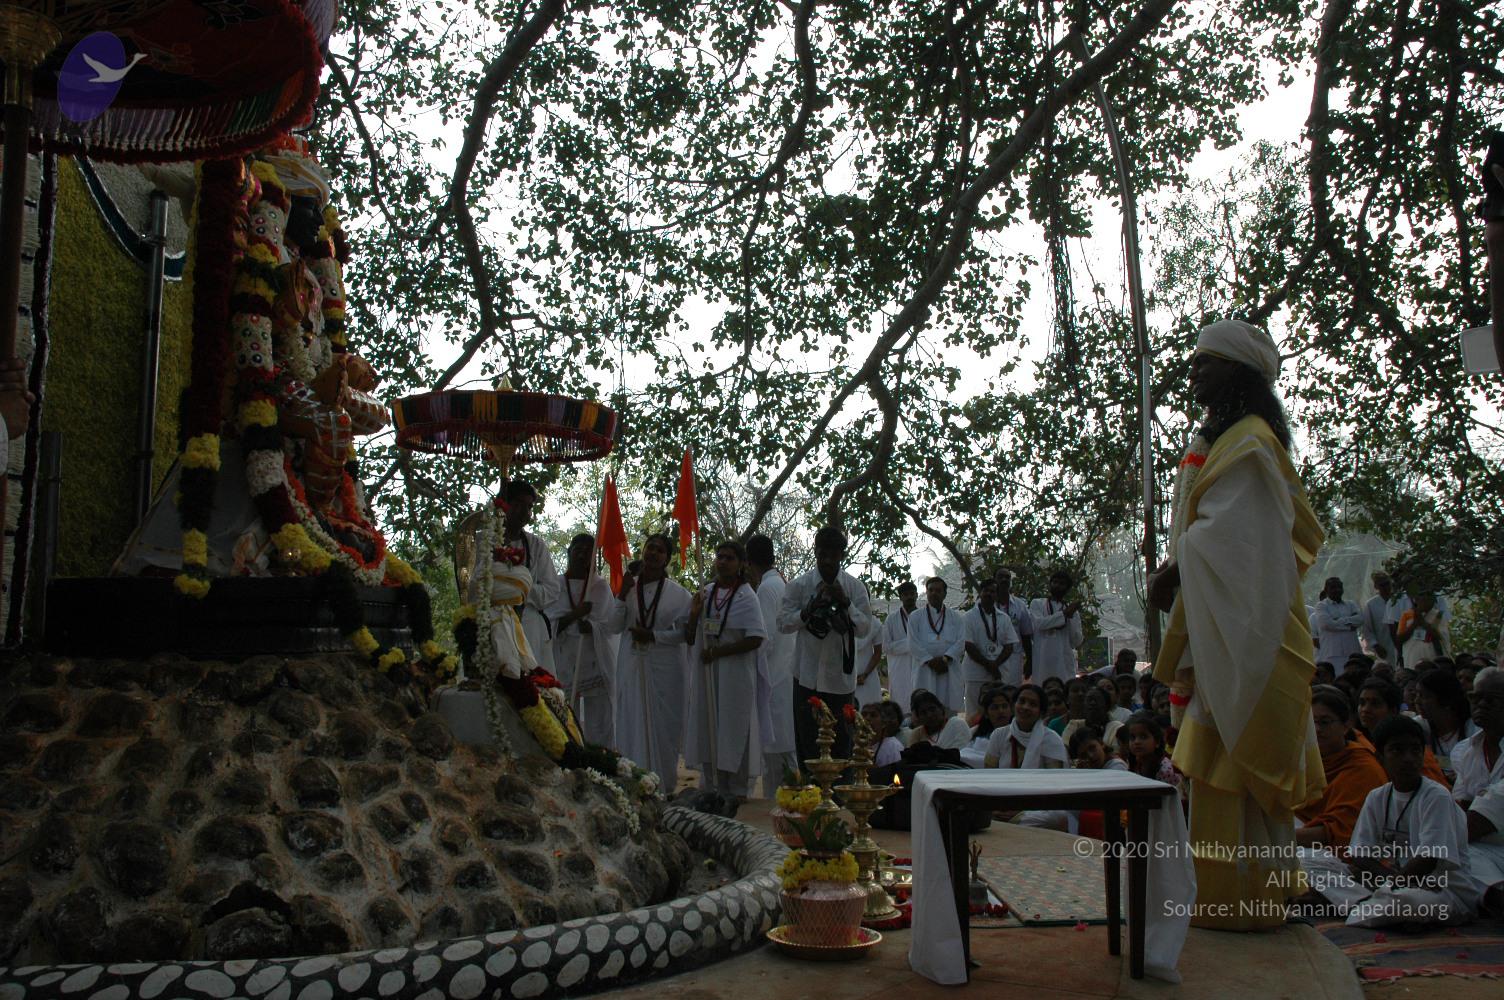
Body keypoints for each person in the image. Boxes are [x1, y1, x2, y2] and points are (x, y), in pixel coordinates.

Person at [1146, 319, 1325, 930]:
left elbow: (1239, 543)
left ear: (1239, 375)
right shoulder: (1221, 437)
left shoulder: (1248, 442)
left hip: (1246, 633)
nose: (1194, 372)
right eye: (1194, 362)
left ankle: (1255, 901)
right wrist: (1181, 563)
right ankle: (1228, 898)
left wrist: (1175, 571)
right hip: (1218, 628)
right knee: (1219, 765)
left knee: (1241, 762)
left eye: (1207, 363)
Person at [1302, 715, 1482, 927]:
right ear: (1380, 757)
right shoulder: (1377, 796)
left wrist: (1387, 884)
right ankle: (1363, 904)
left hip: (1442, 891)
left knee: (1401, 902)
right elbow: (1360, 854)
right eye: (1397, 750)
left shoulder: (1436, 796)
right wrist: (1385, 880)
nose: (1408, 758)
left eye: (1415, 750)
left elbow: (1428, 860)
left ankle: (1353, 904)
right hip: (1393, 883)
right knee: (1306, 859)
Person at [779, 526, 875, 764]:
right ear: (815, 552)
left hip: (840, 681)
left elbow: (865, 629)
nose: (827, 561)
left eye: (833, 555)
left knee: (842, 745)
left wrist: (845, 603)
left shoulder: (854, 587)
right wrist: (809, 609)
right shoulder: (800, 586)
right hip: (806, 678)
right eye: (823, 554)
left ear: (843, 554)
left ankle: (840, 799)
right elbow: (782, 623)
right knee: (808, 746)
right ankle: (810, 798)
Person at [682, 540, 770, 799]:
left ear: (742, 563)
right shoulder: (705, 592)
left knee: (734, 728)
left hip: (735, 676)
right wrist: (694, 615)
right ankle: (711, 787)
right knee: (707, 726)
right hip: (708, 674)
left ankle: (736, 790)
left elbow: (755, 638)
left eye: (730, 558)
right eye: (719, 556)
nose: (723, 562)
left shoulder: (747, 596)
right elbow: (689, 637)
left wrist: (719, 652)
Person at [609, 533, 692, 786]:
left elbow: (685, 634)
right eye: (649, 548)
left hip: (665, 668)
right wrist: (621, 596)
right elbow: (613, 626)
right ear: (642, 552)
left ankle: (663, 783)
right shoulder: (629, 587)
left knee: (665, 725)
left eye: (659, 550)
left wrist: (654, 636)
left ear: (667, 558)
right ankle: (632, 781)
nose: (653, 553)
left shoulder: (679, 594)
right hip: (632, 664)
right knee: (630, 720)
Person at [476, 479, 562, 673]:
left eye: (529, 507)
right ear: (504, 506)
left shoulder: (536, 545)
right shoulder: (482, 539)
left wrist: (519, 589)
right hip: (490, 624)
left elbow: (552, 590)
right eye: (518, 505)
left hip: (530, 627)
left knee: (533, 691)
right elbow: (474, 585)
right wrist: (506, 588)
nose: (525, 512)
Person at [1295, 687, 1389, 851]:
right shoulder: (1301, 759)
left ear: (1346, 726)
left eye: (1324, 722)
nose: (1316, 729)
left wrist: (1276, 839)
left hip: (1335, 856)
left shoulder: (1363, 769)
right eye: (1311, 723)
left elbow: (1338, 832)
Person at [547, 533, 619, 745]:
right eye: (578, 549)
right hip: (564, 662)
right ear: (569, 552)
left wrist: (592, 626)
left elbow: (611, 627)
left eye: (588, 551)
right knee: (567, 715)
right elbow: (547, 624)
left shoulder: (600, 587)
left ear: (593, 557)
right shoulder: (556, 585)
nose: (582, 555)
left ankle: (602, 758)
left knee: (600, 719)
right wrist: (574, 615)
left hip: (594, 662)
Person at [747, 534, 796, 793]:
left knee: (776, 758)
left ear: (748, 562)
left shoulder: (767, 589)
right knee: (785, 752)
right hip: (785, 677)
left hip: (774, 679)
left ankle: (778, 810)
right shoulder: (783, 584)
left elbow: (765, 639)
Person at [984, 684, 1070, 829]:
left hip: (1038, 805)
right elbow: (988, 777)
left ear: (1041, 712)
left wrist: (1021, 809)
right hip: (1001, 802)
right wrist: (997, 806)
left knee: (1058, 817)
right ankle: (1007, 820)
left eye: (1033, 704)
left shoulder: (1051, 740)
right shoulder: (999, 735)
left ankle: (1008, 822)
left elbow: (1056, 789)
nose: (1025, 707)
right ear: (1014, 705)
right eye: (1021, 701)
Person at [1453, 668, 1504, 912]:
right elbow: (1458, 808)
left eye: (1491, 700)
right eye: (1476, 698)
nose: (1481, 705)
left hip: (1488, 840)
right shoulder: (1467, 751)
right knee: (1454, 856)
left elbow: (1474, 824)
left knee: (1445, 852)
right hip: (1488, 851)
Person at [1356, 677, 1449, 785]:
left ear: (1393, 710)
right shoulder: (1362, 742)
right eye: (1362, 703)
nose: (1365, 709)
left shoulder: (1409, 745)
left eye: (1375, 704)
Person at [963, 576, 1019, 718]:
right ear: (980, 593)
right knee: (974, 713)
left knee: (1000, 712)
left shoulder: (1004, 618)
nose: (989, 594)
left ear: (997, 594)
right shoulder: (968, 617)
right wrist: (989, 664)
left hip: (999, 673)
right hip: (976, 673)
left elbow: (1009, 645)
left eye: (993, 591)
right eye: (986, 591)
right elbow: (968, 645)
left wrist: (995, 665)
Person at [908, 576, 965, 714]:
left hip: (948, 669)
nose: (934, 593)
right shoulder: (915, 617)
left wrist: (946, 659)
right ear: (926, 592)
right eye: (931, 590)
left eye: (938, 590)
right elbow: (913, 643)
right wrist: (930, 661)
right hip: (925, 670)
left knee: (948, 711)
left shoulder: (956, 617)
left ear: (944, 594)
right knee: (925, 708)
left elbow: (961, 642)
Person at [1416, 669, 1478, 782]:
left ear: (1446, 700)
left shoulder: (1474, 729)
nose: (1417, 701)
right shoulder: (1419, 726)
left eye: (1423, 696)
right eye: (1417, 694)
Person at [1029, 570, 1083, 684]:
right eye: (1055, 582)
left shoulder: (1072, 611)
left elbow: (1076, 641)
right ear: (1050, 584)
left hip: (1063, 664)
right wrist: (1064, 614)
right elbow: (1040, 624)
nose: (1057, 586)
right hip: (1042, 661)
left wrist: (1071, 617)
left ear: (1067, 589)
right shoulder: (1037, 603)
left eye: (1062, 584)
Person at [880, 581, 919, 720]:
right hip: (899, 669)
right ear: (900, 597)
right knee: (901, 707)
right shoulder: (891, 619)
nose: (909, 597)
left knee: (921, 704)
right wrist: (912, 643)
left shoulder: (924, 616)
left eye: (912, 594)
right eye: (905, 594)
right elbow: (886, 647)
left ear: (917, 595)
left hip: (921, 666)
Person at [1124, 712, 1181, 797]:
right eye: (1133, 737)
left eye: (1143, 737)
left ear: (1157, 742)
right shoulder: (1135, 763)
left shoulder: (1165, 770)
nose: (1137, 742)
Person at [1314, 577, 1365, 671]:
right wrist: (1350, 625)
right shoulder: (1321, 606)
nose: (1337, 590)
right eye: (1333, 587)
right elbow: (1327, 624)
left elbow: (1361, 619)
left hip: (1353, 652)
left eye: (1339, 587)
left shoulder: (1351, 604)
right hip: (1332, 654)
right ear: (1326, 590)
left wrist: (1338, 621)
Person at [993, 568, 1034, 683]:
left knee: (1012, 692)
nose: (1004, 580)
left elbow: (1026, 635)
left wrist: (1030, 661)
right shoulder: (984, 604)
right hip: (992, 656)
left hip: (1014, 658)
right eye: (1000, 577)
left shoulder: (1020, 605)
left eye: (1007, 577)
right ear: (994, 580)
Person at [1062, 686, 1123, 755]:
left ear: (1107, 705)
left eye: (1097, 699)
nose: (1092, 703)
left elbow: (1117, 753)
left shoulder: (1117, 727)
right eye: (1089, 700)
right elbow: (1065, 749)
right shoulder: (1075, 725)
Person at [905, 689, 971, 750]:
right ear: (918, 717)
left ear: (941, 708)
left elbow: (961, 754)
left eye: (932, 709)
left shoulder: (957, 725)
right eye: (923, 713)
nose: (929, 715)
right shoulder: (917, 734)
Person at [1398, 592, 1449, 665]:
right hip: (1412, 659)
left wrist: (1423, 623)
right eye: (1421, 595)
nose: (1425, 598)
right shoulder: (1406, 615)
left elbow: (1442, 637)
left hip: (1433, 659)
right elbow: (1400, 639)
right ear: (1415, 599)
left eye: (1428, 595)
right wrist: (1414, 624)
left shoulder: (1439, 615)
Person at [1362, 573, 1401, 664]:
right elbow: (1367, 629)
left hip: (1403, 643)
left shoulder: (1400, 600)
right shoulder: (1371, 604)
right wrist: (1375, 645)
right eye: (1382, 585)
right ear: (1376, 586)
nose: (1385, 587)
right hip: (1383, 647)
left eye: (1387, 583)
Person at [854, 626, 883, 707]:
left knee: (871, 708)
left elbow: (877, 653)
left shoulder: (875, 625)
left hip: (868, 677)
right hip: (847, 676)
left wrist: (865, 675)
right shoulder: (842, 622)